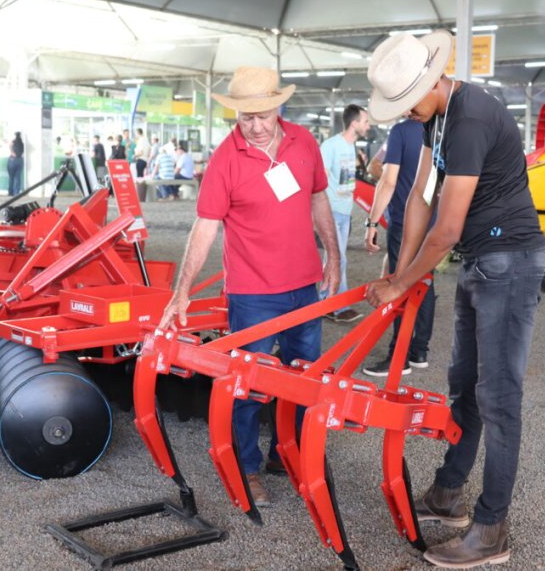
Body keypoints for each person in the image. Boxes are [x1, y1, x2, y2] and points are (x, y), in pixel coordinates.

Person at [364, 31, 545, 568]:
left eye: (406, 102)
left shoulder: (469, 117)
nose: (406, 113)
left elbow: (446, 227)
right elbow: (420, 197)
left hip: (508, 261)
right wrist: (399, 273)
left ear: (429, 82)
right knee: (463, 382)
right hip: (481, 260)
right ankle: (448, 493)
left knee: (499, 395)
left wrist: (402, 283)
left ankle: (492, 529)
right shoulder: (435, 117)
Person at [158, 66, 339, 508]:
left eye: (263, 115)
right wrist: (182, 291)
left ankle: (288, 453)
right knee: (248, 384)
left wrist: (333, 255)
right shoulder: (226, 158)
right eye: (245, 118)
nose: (255, 127)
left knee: (304, 375)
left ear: (279, 106)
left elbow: (317, 197)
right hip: (253, 294)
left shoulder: (303, 142)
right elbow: (204, 227)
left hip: (304, 289)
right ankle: (247, 465)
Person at [362, 119, 435, 377]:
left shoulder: (402, 131)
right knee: (425, 282)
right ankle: (419, 351)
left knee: (399, 283)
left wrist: (372, 221)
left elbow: (388, 181)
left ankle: (399, 356)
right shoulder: (442, 128)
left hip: (406, 223)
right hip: (433, 223)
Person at [319, 104, 371, 323]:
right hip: (331, 210)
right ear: (354, 123)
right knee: (339, 258)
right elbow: (320, 180)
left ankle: (325, 301)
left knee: (334, 257)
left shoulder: (352, 147)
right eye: (366, 121)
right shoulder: (331, 146)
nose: (368, 126)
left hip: (345, 211)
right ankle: (338, 307)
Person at [7, 132, 25, 196]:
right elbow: (23, 152)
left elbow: (10, 146)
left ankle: (10, 192)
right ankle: (16, 193)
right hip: (20, 160)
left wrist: (12, 152)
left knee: (11, 177)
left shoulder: (13, 142)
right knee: (17, 177)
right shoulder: (22, 143)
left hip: (12, 160)